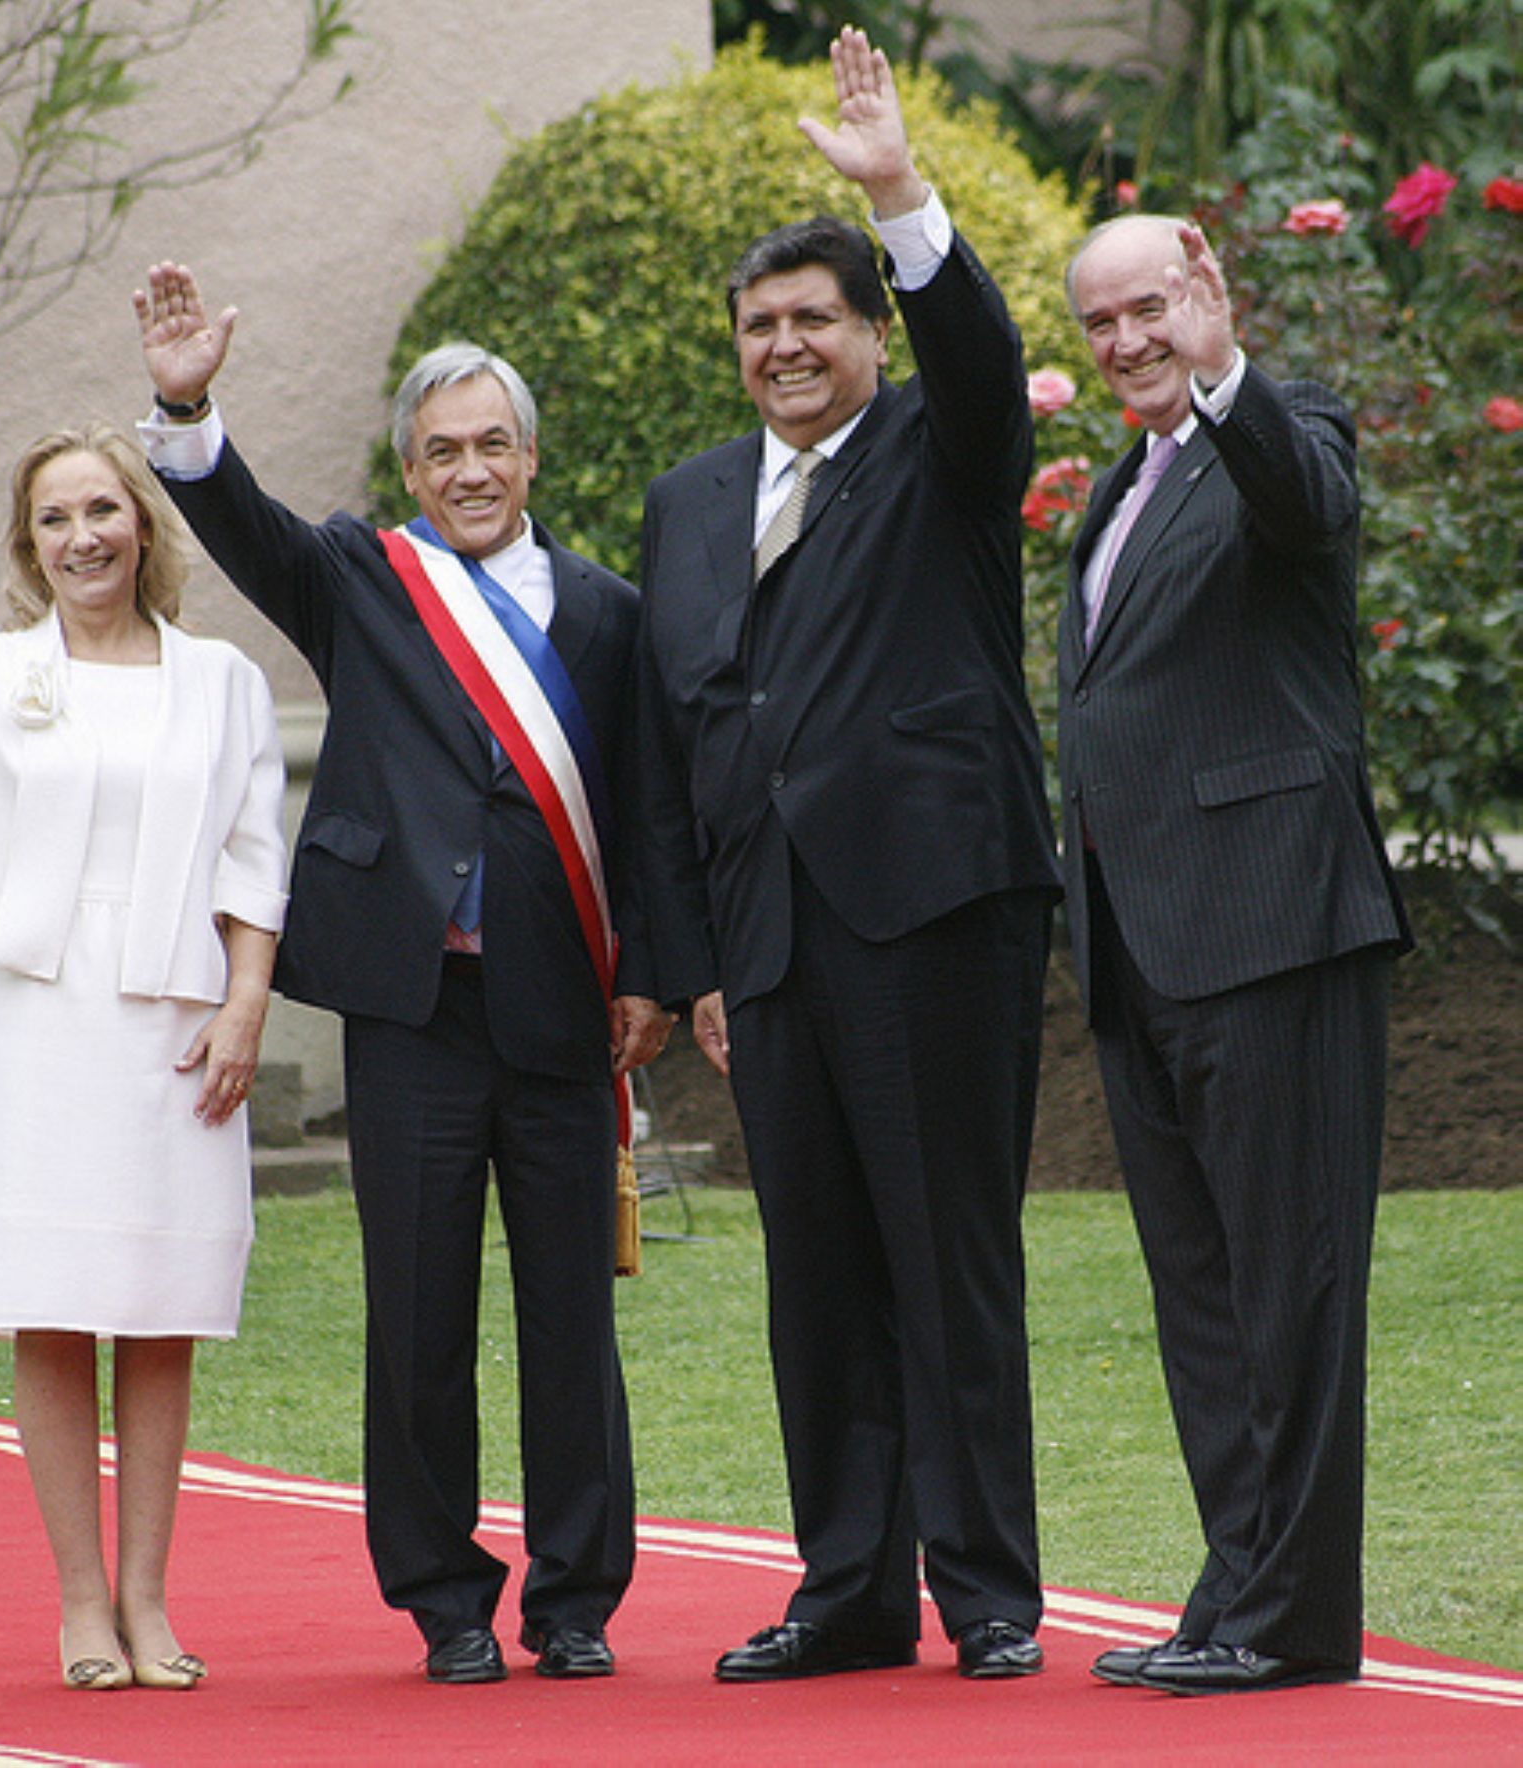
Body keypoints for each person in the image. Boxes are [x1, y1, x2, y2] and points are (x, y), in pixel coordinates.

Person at [131, 269, 672, 1684]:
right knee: (420, 1312)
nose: (473, 469)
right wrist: (187, 405)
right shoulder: (364, 579)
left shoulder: (609, 612)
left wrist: (659, 976)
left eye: (495, 443)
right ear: (412, 469)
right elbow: (239, 524)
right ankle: (442, 1598)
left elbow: (650, 809)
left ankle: (575, 1600)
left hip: (560, 1006)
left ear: (532, 456)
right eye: (443, 450)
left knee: (572, 1315)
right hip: (410, 1008)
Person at [635, 27, 1061, 1683]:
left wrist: (896, 194)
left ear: (870, 332)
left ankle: (989, 1588)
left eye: (817, 317)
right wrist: (704, 957)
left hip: (937, 910)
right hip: (776, 945)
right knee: (813, 1271)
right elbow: (676, 749)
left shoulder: (944, 454)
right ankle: (850, 1588)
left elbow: (976, 350)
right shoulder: (686, 504)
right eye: (761, 326)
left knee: (946, 1254)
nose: (786, 344)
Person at [0, 424, 289, 1691]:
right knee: (51, 1308)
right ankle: (81, 1607)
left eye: (103, 510)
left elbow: (254, 857)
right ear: (29, 547)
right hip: (36, 1020)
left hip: (176, 1020)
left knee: (159, 1318)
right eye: (54, 519)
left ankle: (150, 1604)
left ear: (143, 524)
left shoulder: (222, 681)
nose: (83, 536)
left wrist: (249, 998)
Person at [1058, 214, 1411, 1693]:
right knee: (1203, 1298)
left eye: (1152, 308)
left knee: (1293, 1286)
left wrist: (1225, 379)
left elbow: (1301, 500)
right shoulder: (1116, 493)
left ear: (1207, 291)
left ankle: (1293, 1621)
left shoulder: (1283, 427)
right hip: (1146, 954)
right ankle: (1236, 1588)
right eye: (1102, 325)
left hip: (1274, 932)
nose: (1129, 341)